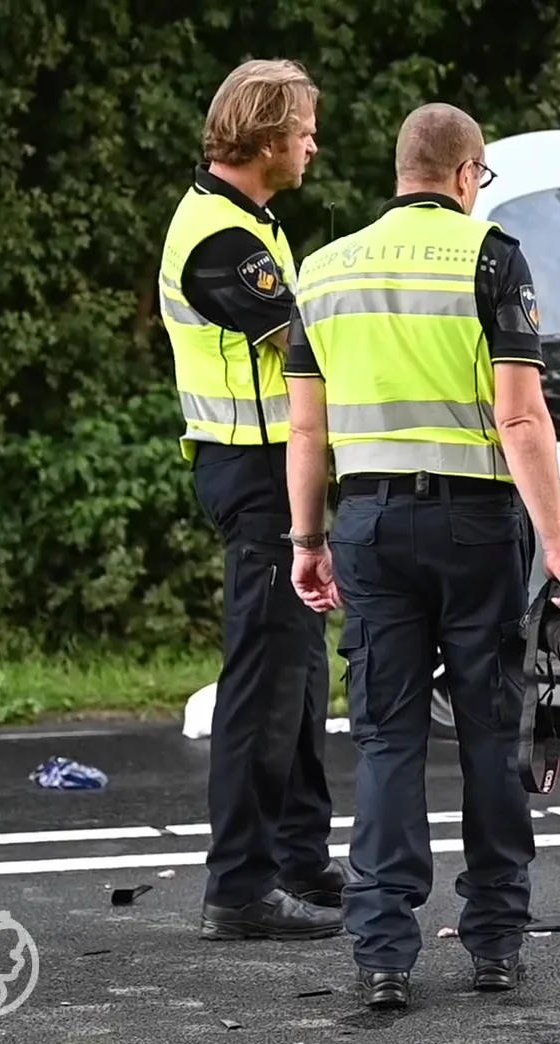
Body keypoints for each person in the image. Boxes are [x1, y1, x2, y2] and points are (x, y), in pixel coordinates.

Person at [282, 102, 560, 1008]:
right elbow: (520, 416)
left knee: (386, 740)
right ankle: (495, 940)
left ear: (400, 170)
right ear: (467, 174)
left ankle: (382, 953)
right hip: (474, 528)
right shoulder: (491, 255)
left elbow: (305, 429)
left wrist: (309, 541)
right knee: (492, 734)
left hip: (371, 525)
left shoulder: (324, 267)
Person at [156, 58, 346, 942]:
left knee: (301, 676)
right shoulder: (218, 240)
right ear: (268, 138)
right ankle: (238, 890)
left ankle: (300, 860)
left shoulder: (252, 225)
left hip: (279, 473)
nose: (314, 143)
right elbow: (301, 345)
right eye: (305, 129)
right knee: (263, 684)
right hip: (255, 471)